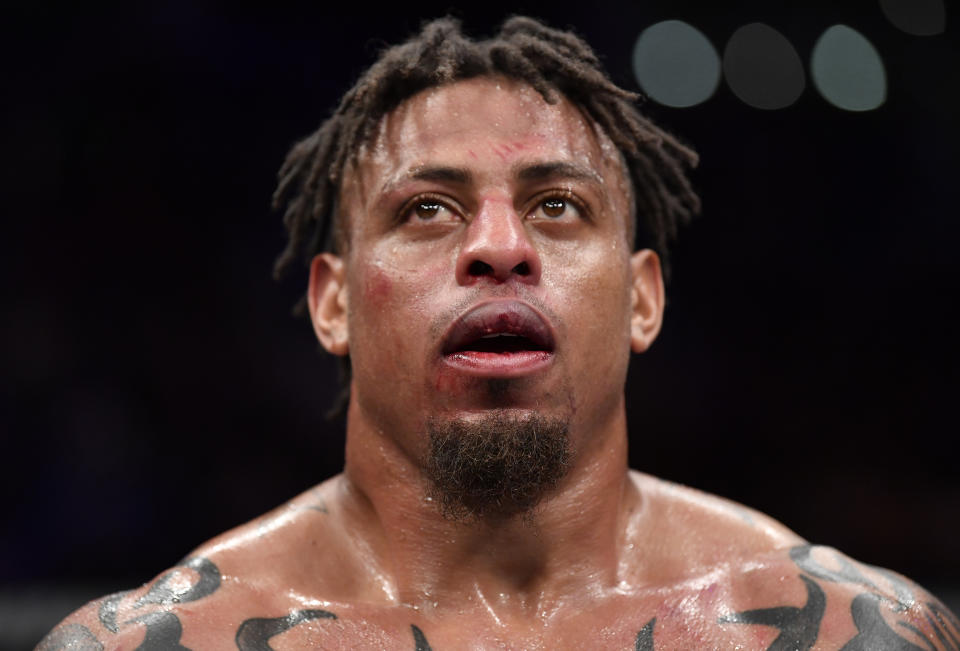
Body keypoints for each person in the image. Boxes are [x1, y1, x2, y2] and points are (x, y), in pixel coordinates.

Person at [40, 16, 958, 650]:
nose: (498, 247)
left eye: (557, 205)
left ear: (644, 300)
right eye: (428, 209)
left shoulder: (849, 631)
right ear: (333, 303)